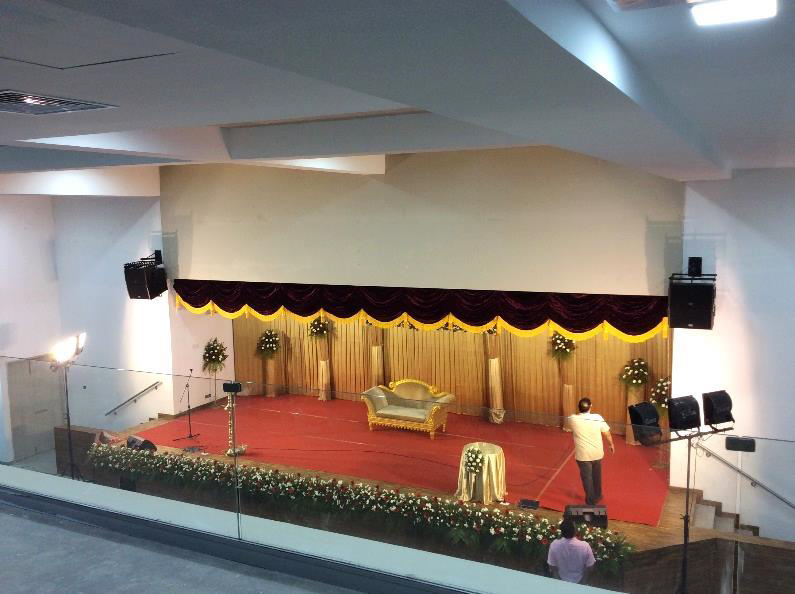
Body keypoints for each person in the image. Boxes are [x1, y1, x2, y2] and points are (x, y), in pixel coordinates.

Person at [566, 397, 614, 505]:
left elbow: (571, 417)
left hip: (583, 455)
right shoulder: (597, 417)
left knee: (587, 478)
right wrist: (611, 444)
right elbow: (607, 433)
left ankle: (590, 501)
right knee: (597, 475)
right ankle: (598, 495)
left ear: (578, 407)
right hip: (597, 453)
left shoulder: (572, 419)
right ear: (591, 406)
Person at [547, 518, 596, 583]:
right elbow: (590, 567)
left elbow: (552, 566)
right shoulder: (585, 546)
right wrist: (583, 582)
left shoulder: (554, 545)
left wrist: (558, 580)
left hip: (560, 579)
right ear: (575, 531)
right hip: (580, 581)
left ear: (561, 532)